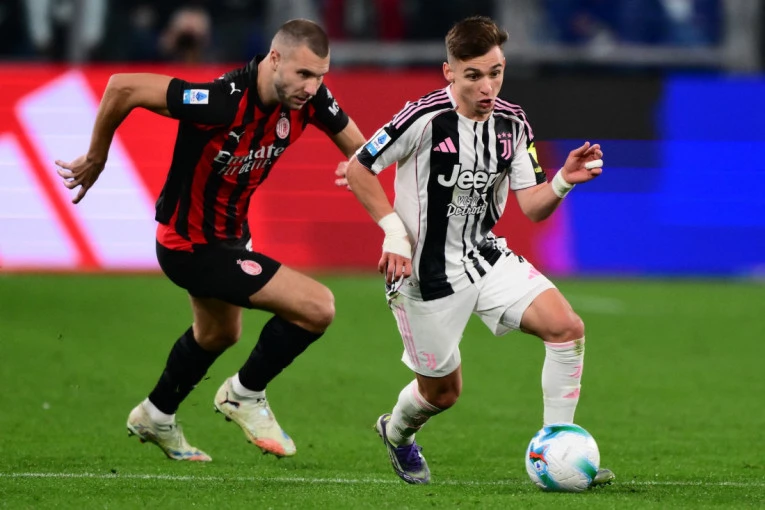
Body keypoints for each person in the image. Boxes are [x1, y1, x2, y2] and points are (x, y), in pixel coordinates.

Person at [56, 19, 366, 462]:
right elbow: (122, 87)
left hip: (231, 239)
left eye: (320, 76)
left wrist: (365, 170)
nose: (312, 87)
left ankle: (156, 414)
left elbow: (362, 149)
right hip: (188, 245)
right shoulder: (219, 100)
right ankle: (245, 394)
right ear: (274, 58)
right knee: (317, 307)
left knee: (219, 333)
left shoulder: (310, 100)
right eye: (303, 74)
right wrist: (97, 156)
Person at [340, 15, 615, 486]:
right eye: (473, 76)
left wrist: (563, 181)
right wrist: (393, 234)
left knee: (566, 328)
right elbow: (358, 167)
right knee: (442, 394)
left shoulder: (513, 123)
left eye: (496, 72)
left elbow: (532, 207)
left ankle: (557, 449)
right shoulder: (423, 118)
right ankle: (397, 432)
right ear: (449, 72)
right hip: (424, 277)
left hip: (483, 256)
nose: (487, 87)